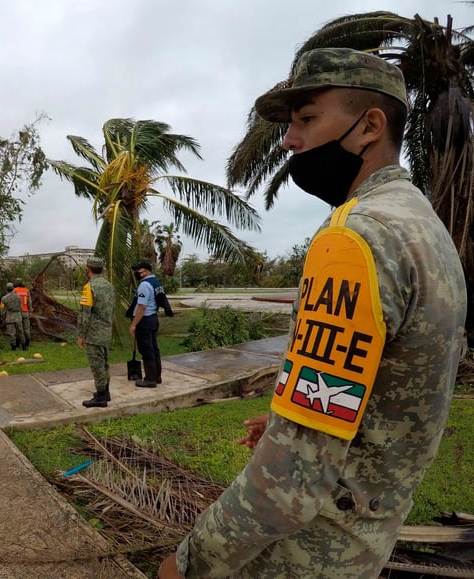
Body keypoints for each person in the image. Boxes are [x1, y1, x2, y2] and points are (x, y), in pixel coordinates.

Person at [158, 48, 467, 579]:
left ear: (369, 126)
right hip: (365, 540)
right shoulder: (423, 227)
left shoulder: (354, 237)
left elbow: (290, 488)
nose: (288, 141)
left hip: (304, 552)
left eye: (306, 119)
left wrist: (189, 563)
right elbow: (392, 394)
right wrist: (290, 424)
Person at [78, 257, 116, 408]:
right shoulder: (109, 286)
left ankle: (100, 397)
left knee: (97, 366)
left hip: (94, 334)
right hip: (106, 331)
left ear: (88, 269)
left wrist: (81, 335)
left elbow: (85, 314)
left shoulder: (89, 287)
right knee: (104, 363)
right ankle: (105, 392)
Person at [129, 260, 162, 388]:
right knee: (154, 348)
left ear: (146, 271)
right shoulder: (156, 282)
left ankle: (150, 379)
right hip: (153, 318)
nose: (137, 273)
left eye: (139, 270)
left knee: (146, 349)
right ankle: (157, 376)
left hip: (145, 320)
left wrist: (133, 324)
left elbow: (142, 307)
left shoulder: (144, 285)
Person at [0, 282, 25, 350]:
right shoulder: (18, 297)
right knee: (20, 331)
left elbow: (2, 309)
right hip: (18, 315)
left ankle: (13, 346)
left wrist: (2, 317)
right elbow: (21, 307)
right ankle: (23, 345)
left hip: (10, 316)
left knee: (11, 333)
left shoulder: (4, 298)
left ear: (6, 289)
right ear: (13, 288)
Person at [13, 278, 32, 348]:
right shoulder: (27, 291)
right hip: (25, 312)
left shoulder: (15, 290)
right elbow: (29, 302)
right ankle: (27, 342)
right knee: (26, 328)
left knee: (18, 328)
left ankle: (18, 343)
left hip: (18, 312)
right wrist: (30, 311)